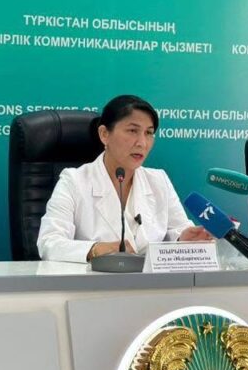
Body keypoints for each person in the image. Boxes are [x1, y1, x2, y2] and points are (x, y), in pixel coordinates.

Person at [37, 95, 211, 263]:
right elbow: (49, 242)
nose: (142, 143)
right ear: (104, 134)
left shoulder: (158, 180)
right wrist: (96, 249)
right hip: (94, 281)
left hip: (150, 282)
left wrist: (183, 240)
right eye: (133, 131)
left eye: (149, 133)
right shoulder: (74, 181)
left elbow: (177, 230)